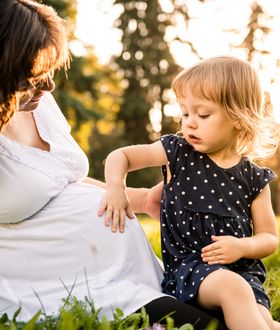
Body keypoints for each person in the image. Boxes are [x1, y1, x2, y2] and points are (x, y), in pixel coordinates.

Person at [0, 1, 227, 328]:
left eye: (49, 70)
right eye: (34, 77)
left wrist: (141, 199)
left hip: (121, 269)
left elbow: (63, 179)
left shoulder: (40, 103)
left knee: (230, 307)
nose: (49, 86)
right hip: (60, 280)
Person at [100, 56, 280, 329]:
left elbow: (269, 238)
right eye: (185, 113)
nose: (189, 123)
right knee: (233, 290)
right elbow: (121, 156)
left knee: (265, 320)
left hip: (243, 272)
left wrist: (241, 247)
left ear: (238, 117)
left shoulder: (254, 179)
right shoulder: (178, 153)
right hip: (191, 270)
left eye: (202, 114)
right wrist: (115, 187)